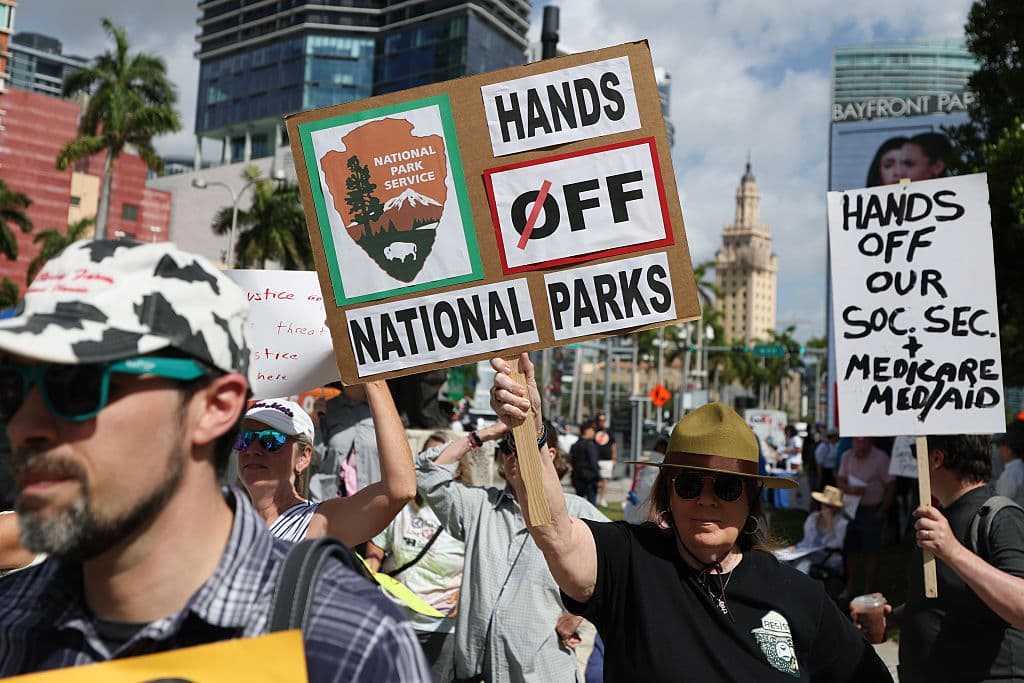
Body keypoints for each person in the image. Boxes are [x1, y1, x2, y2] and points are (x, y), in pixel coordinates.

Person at [0, 240, 429, 679]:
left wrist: (370, 373)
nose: (21, 426)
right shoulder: (12, 621)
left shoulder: (350, 644)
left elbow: (398, 490)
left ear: (214, 408)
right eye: (11, 386)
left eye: (76, 386)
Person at [489, 354, 892, 682]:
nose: (706, 500)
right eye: (689, 484)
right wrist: (530, 431)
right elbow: (554, 531)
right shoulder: (629, 561)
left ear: (751, 499)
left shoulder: (800, 596)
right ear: (667, 492)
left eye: (727, 487)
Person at [416, 416, 608, 682]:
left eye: (523, 447)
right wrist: (484, 434)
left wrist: (578, 614)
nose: (513, 456)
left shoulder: (578, 513)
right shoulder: (480, 506)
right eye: (507, 448)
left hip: (541, 674)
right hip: (476, 673)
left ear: (550, 455)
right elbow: (427, 473)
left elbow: (624, 571)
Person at [877, 434, 1024, 682]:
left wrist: (952, 550)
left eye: (916, 453)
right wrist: (896, 618)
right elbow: (951, 597)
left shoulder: (1000, 517)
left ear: (936, 458)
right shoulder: (938, 518)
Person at [365, 425, 505, 683]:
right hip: (393, 616)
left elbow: (482, 562)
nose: (431, 466)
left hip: (440, 624)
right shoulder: (402, 503)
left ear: (458, 468)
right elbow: (377, 545)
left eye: (439, 459)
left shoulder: (469, 511)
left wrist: (464, 593)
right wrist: (371, 569)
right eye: (426, 458)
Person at [236, 396, 415, 545]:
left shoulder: (317, 521)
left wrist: (373, 379)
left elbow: (399, 490)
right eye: (243, 438)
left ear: (303, 457)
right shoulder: (229, 522)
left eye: (271, 439)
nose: (252, 449)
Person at [837, 436, 895, 599]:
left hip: (872, 510)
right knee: (851, 549)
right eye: (857, 442)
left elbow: (891, 485)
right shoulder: (847, 456)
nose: (860, 445)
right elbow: (840, 479)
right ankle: (850, 587)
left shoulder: (881, 458)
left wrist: (884, 509)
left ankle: (868, 590)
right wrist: (848, 489)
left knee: (871, 551)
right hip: (851, 509)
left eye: (863, 442)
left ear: (870, 442)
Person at [774, 485, 848, 575]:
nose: (826, 509)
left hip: (829, 557)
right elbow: (808, 541)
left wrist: (829, 523)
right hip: (808, 552)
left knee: (802, 565)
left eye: (830, 506)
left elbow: (834, 545)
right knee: (779, 558)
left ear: (837, 508)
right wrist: (796, 547)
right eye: (825, 505)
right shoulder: (813, 517)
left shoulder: (842, 523)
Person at [993, 422, 1024, 507]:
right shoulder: (1019, 468)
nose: (998, 449)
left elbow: (1001, 502)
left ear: (1009, 450)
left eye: (999, 445)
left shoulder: (1011, 473)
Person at [570, 421, 600, 504]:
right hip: (590, 478)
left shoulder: (575, 445)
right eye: (592, 430)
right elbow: (593, 462)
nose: (594, 432)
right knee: (591, 504)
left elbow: (572, 461)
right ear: (587, 431)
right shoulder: (590, 445)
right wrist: (598, 477)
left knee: (579, 504)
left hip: (577, 477)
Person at [593, 412, 616, 507]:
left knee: (604, 480)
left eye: (604, 420)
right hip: (595, 459)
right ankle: (593, 498)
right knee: (596, 480)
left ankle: (602, 499)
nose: (602, 422)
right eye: (600, 420)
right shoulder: (593, 431)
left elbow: (613, 445)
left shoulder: (609, 432)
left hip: (607, 459)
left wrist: (614, 458)